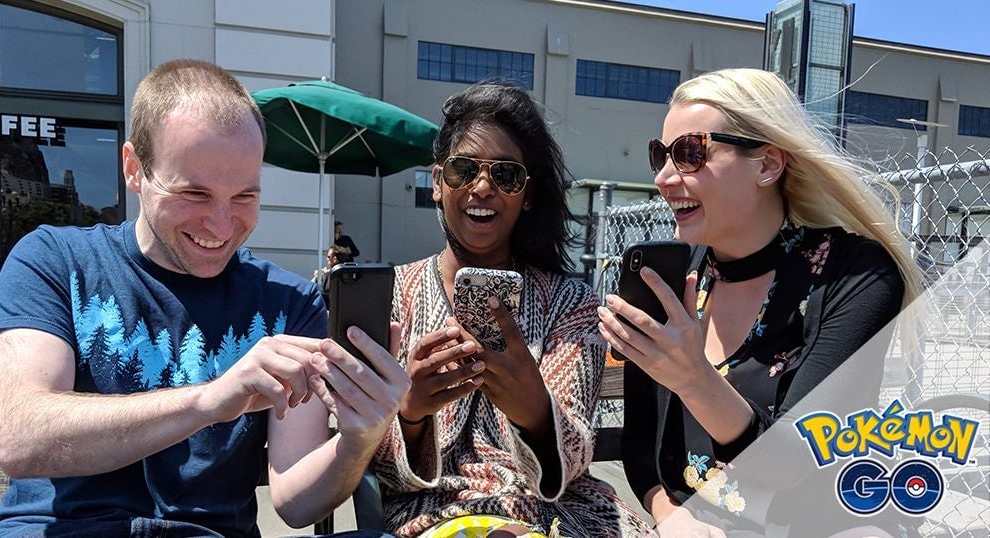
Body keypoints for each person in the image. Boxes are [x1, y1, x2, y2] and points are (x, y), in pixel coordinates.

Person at [0, 59, 409, 537]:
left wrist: (359, 438)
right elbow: (19, 436)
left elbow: (296, 503)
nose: (222, 226)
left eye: (245, 196)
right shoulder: (55, 260)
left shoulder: (291, 301)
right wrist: (209, 400)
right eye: (195, 193)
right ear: (134, 169)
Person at [598, 68, 922, 536]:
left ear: (767, 165)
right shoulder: (675, 278)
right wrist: (672, 517)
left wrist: (694, 380)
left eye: (690, 153)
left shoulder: (856, 274)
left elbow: (797, 460)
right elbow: (642, 447)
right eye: (660, 155)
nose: (664, 178)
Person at [371, 82, 655, 537]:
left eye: (506, 175)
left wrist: (535, 411)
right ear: (438, 183)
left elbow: (573, 458)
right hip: (436, 515)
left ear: (527, 195)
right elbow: (365, 458)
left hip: (560, 515)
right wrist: (412, 414)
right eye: (464, 170)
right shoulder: (390, 296)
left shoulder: (570, 303)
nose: (483, 187)